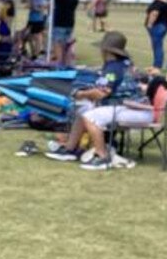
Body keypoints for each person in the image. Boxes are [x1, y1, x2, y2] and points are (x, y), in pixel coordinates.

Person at [46, 31, 135, 167]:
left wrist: (81, 94)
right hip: (129, 105)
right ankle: (70, 148)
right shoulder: (124, 63)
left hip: (119, 106)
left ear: (106, 50)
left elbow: (102, 93)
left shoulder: (113, 68)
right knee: (84, 109)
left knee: (83, 109)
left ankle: (76, 149)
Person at [144, 0, 167, 69]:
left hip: (157, 25)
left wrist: (150, 23)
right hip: (165, 25)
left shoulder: (158, 2)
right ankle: (157, 64)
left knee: (157, 46)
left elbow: (154, 13)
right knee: (158, 45)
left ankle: (157, 66)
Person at [50, 0, 79, 65]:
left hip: (59, 22)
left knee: (58, 43)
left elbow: (51, 4)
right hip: (70, 22)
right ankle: (67, 62)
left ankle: (59, 63)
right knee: (67, 44)